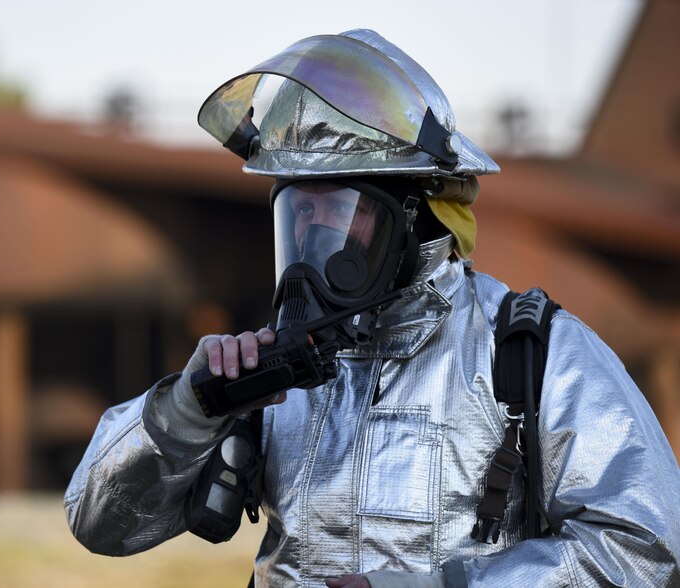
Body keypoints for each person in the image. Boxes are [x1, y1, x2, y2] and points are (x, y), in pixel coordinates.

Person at [65, 29, 680, 587]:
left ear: (413, 218)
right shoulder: (271, 376)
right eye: (296, 213)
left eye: (334, 211)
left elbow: (647, 548)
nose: (309, 246)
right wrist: (189, 409)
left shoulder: (531, 354)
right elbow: (98, 522)